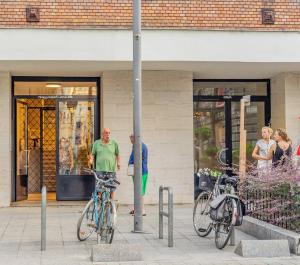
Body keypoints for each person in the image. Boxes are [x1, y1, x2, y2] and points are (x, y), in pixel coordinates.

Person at [89, 128, 120, 198]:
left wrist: (118, 163)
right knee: (99, 189)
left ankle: (111, 206)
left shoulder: (114, 143)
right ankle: (100, 206)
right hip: (100, 170)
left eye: (109, 133)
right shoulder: (97, 143)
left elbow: (117, 154)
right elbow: (92, 154)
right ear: (102, 134)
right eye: (106, 133)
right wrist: (91, 159)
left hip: (111, 170)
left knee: (112, 189)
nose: (108, 135)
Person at [128, 134, 148, 216]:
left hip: (141, 172)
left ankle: (142, 210)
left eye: (131, 137)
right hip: (136, 172)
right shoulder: (135, 145)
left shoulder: (140, 146)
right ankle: (137, 208)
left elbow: (138, 159)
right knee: (137, 191)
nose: (130, 139)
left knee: (140, 192)